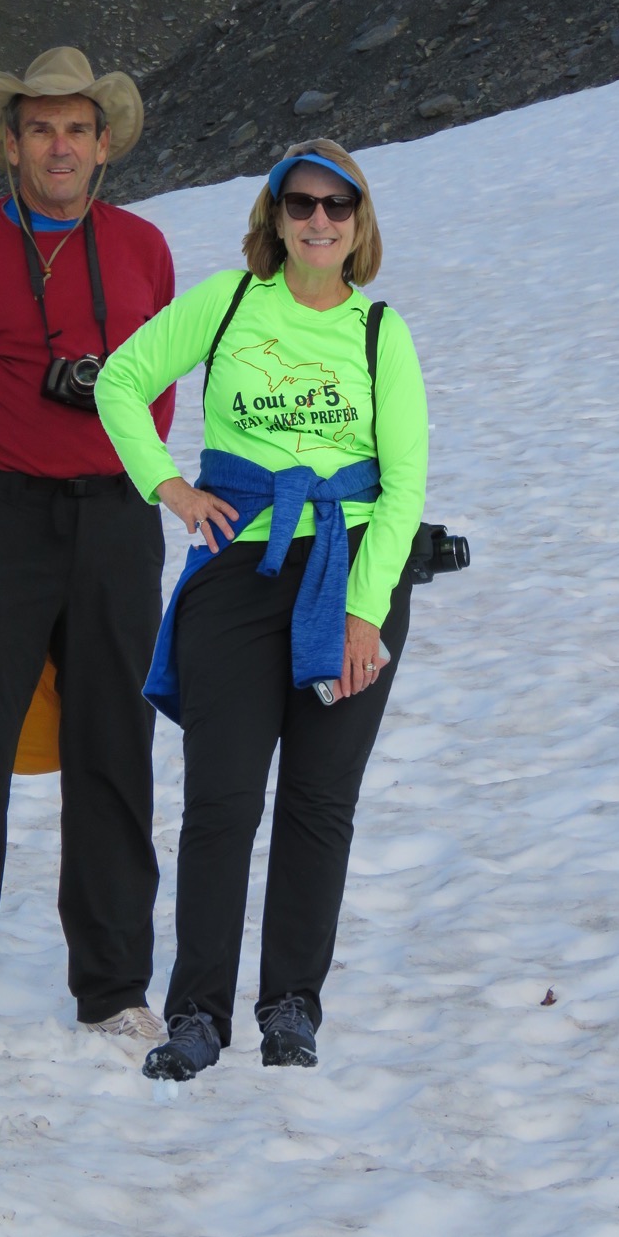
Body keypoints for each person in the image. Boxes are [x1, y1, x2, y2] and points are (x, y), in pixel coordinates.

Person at [94, 138, 427, 1079]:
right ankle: (196, 1015)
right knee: (222, 800)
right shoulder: (231, 302)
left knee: (320, 802)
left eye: (337, 205)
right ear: (273, 218)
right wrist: (169, 486)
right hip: (241, 572)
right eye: (300, 204)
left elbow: (404, 486)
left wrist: (365, 616)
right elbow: (121, 379)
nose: (318, 220)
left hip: (352, 574)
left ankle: (291, 1007)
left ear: (359, 222)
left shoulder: (379, 331)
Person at [0, 47, 175, 1043]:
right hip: (4, 518)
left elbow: (161, 388)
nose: (60, 146)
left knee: (115, 748)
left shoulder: (142, 247)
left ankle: (113, 987)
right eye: (41, 128)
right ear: (11, 144)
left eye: (77, 129)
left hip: (117, 522)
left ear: (104, 147)